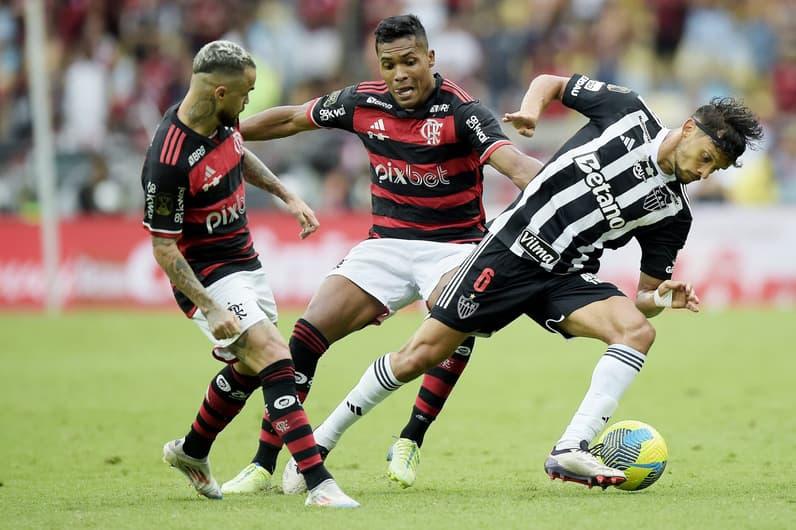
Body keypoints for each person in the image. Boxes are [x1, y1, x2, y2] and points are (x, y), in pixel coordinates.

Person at [309, 73, 763, 488]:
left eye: (714, 170)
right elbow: (550, 81)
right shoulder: (627, 111)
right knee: (417, 357)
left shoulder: (673, 213)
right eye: (705, 158)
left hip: (566, 276)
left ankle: (571, 448)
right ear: (687, 129)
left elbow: (642, 298)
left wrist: (662, 297)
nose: (703, 174)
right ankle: (319, 445)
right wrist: (530, 111)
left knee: (638, 331)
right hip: (510, 250)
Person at [221, 14, 543, 494]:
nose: (399, 74)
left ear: (430, 59)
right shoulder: (363, 101)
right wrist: (227, 134)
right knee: (305, 336)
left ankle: (410, 437)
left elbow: (514, 165)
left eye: (410, 62)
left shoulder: (462, 111)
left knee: (458, 317)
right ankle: (263, 462)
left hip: (454, 247)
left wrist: (569, 189)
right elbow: (291, 118)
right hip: (386, 245)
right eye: (389, 64)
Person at [141, 40, 358, 507]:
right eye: (246, 93)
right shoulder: (168, 161)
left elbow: (239, 153)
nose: (248, 102)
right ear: (220, 92)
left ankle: (192, 451)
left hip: (246, 262)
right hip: (208, 275)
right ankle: (318, 483)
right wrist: (208, 305)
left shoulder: (223, 119)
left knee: (250, 368)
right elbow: (163, 247)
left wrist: (287, 195)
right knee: (275, 356)